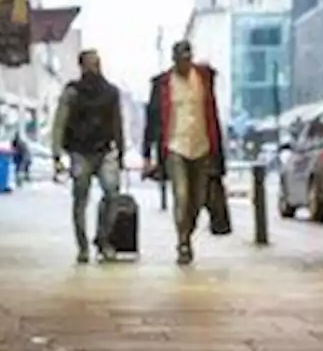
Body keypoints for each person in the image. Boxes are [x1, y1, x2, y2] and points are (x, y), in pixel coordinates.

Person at [142, 40, 225, 265]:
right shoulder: (163, 84)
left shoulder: (203, 79)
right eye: (181, 60)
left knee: (197, 199)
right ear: (174, 60)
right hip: (174, 146)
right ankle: (183, 242)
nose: (185, 64)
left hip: (202, 146)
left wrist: (218, 151)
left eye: (188, 59)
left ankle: (187, 233)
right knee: (181, 195)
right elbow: (151, 119)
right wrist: (147, 154)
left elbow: (212, 115)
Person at [50, 49, 125, 263]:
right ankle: (83, 247)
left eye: (97, 64)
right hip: (79, 151)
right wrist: (57, 154)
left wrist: (121, 151)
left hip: (104, 150)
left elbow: (117, 123)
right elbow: (60, 122)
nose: (94, 68)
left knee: (112, 194)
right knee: (80, 198)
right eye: (90, 64)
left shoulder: (111, 92)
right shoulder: (72, 92)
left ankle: (103, 239)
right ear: (81, 67)